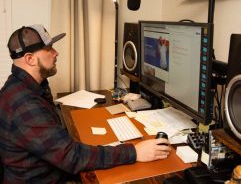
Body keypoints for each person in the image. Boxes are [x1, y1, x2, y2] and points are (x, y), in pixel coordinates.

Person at [0, 24, 171, 184]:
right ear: (30, 59)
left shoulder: (22, 85)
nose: (56, 53)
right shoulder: (24, 104)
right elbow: (72, 157)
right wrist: (135, 152)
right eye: (49, 49)